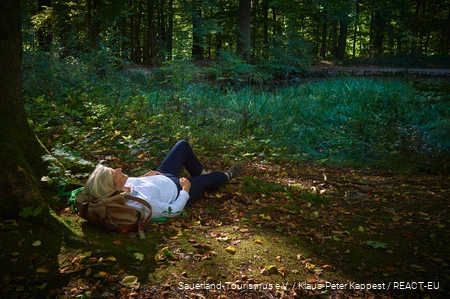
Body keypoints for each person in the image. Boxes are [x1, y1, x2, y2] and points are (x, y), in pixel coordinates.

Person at [83, 140, 242, 218]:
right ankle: (224, 177)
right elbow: (173, 211)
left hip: (163, 175)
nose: (119, 169)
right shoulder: (141, 203)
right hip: (178, 189)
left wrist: (144, 177)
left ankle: (201, 173)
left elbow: (136, 183)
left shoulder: (122, 186)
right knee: (208, 180)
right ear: (112, 187)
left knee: (182, 145)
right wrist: (186, 190)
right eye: (114, 173)